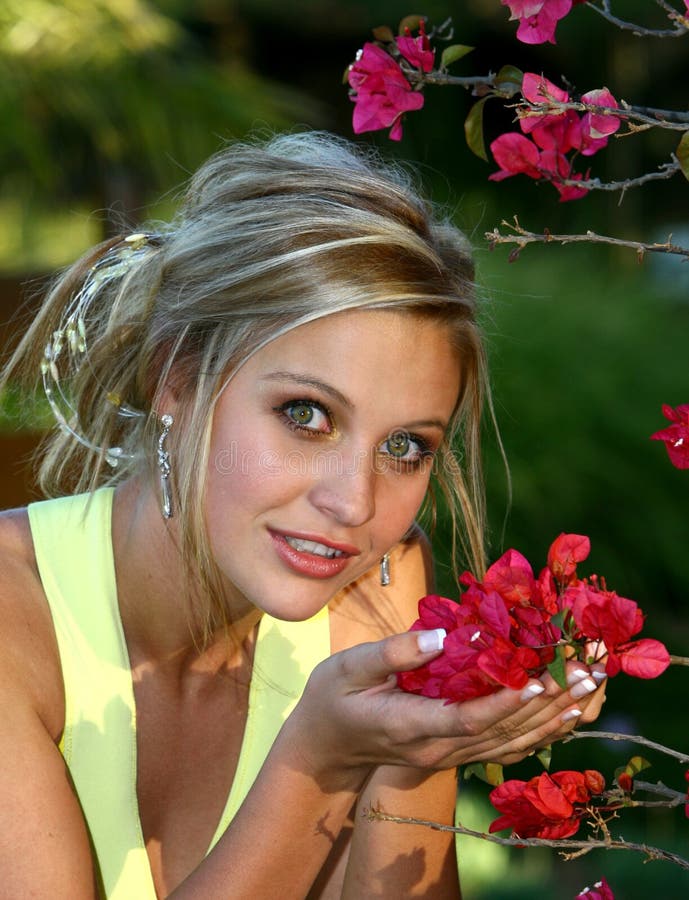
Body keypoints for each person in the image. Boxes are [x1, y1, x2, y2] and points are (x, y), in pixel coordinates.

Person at [0, 131, 605, 899]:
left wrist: (410, 754)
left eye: (404, 446)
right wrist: (317, 763)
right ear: (175, 379)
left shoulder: (376, 601)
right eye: (305, 414)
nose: (353, 502)